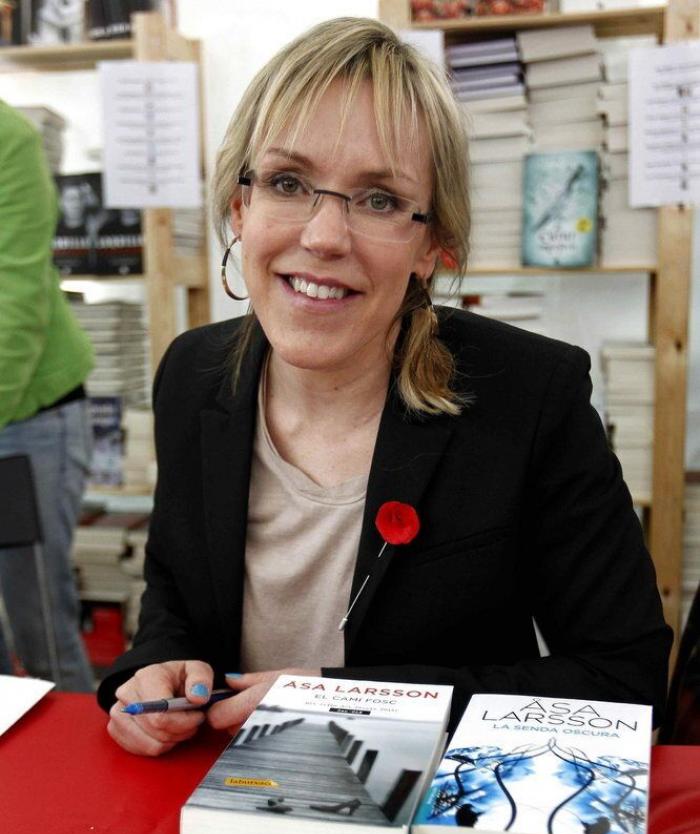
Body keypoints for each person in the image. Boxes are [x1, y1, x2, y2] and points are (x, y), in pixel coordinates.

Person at [99, 17, 671, 757]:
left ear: (434, 246)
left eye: (377, 200)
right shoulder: (193, 374)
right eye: (287, 182)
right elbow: (174, 600)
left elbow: (625, 683)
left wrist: (346, 703)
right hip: (226, 801)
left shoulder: (530, 397)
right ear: (241, 209)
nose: (325, 236)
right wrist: (155, 671)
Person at [0, 101, 95, 690]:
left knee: (40, 632)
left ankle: (74, 780)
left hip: (26, 413)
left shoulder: (9, 139)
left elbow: (15, 301)